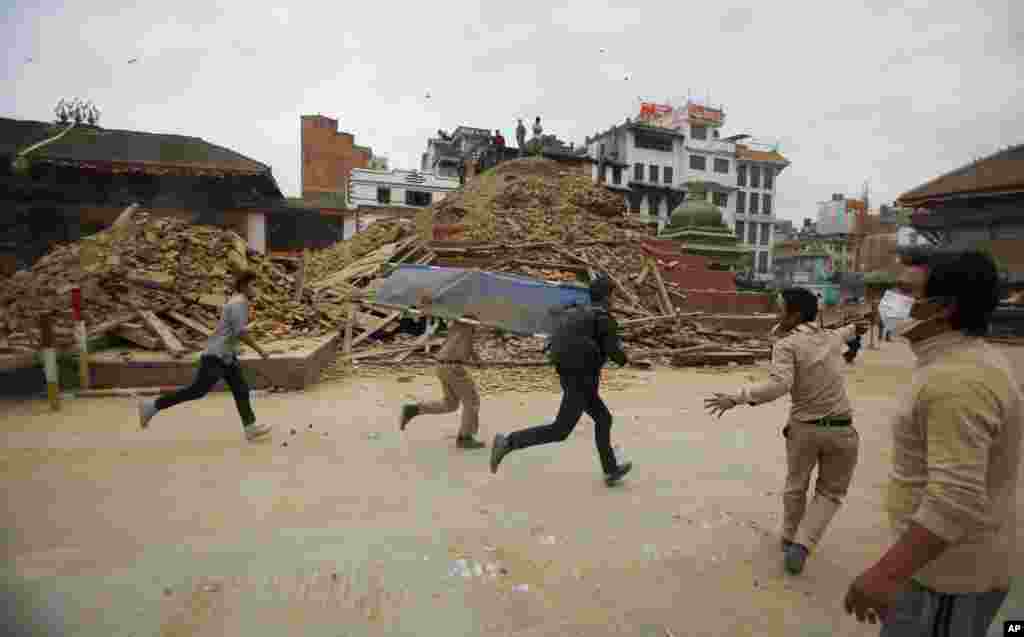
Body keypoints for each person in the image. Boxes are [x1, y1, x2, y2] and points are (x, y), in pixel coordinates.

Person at [843, 251, 1021, 636]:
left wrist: (886, 573)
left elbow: (955, 496)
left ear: (943, 308)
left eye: (906, 291)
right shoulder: (956, 363)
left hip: (947, 582)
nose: (891, 300)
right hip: (933, 569)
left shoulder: (957, 381)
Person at [704, 287, 868, 575]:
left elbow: (778, 386)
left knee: (796, 485)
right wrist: (859, 325)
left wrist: (737, 397)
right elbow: (846, 333)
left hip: (804, 430)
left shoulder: (787, 345)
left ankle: (790, 537)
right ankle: (803, 544)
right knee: (830, 493)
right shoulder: (830, 338)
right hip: (842, 430)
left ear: (793, 314)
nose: (776, 313)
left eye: (780, 309)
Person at [489, 274, 633, 486]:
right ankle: (508, 442)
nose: (614, 299)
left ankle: (611, 469)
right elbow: (616, 355)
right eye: (613, 295)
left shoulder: (580, 313)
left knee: (603, 418)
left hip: (572, 376)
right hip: (582, 382)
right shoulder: (603, 319)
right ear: (607, 296)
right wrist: (625, 357)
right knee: (560, 430)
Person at [138, 269, 272, 441]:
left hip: (226, 356)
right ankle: (152, 406)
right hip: (216, 356)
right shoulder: (239, 303)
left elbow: (232, 330)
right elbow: (240, 332)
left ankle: (250, 427)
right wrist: (260, 350)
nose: (257, 289)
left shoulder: (239, 302)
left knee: (240, 389)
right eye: (254, 285)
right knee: (197, 390)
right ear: (244, 286)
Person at [399, 293, 485, 450]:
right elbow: (434, 309)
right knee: (472, 402)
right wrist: (427, 303)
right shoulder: (465, 317)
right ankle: (465, 437)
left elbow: (466, 343)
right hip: (452, 366)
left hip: (443, 365)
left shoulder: (466, 322)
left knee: (450, 404)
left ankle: (415, 409)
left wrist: (476, 359)